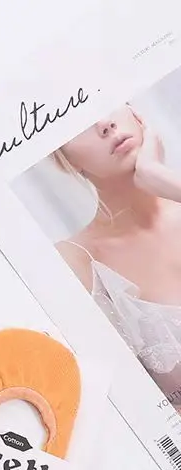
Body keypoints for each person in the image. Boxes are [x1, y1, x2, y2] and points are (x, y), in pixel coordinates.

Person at [53, 105, 181, 406]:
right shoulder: (77, 261)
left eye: (104, 103)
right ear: (63, 159)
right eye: (77, 124)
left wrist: (163, 180)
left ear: (136, 113)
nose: (104, 123)